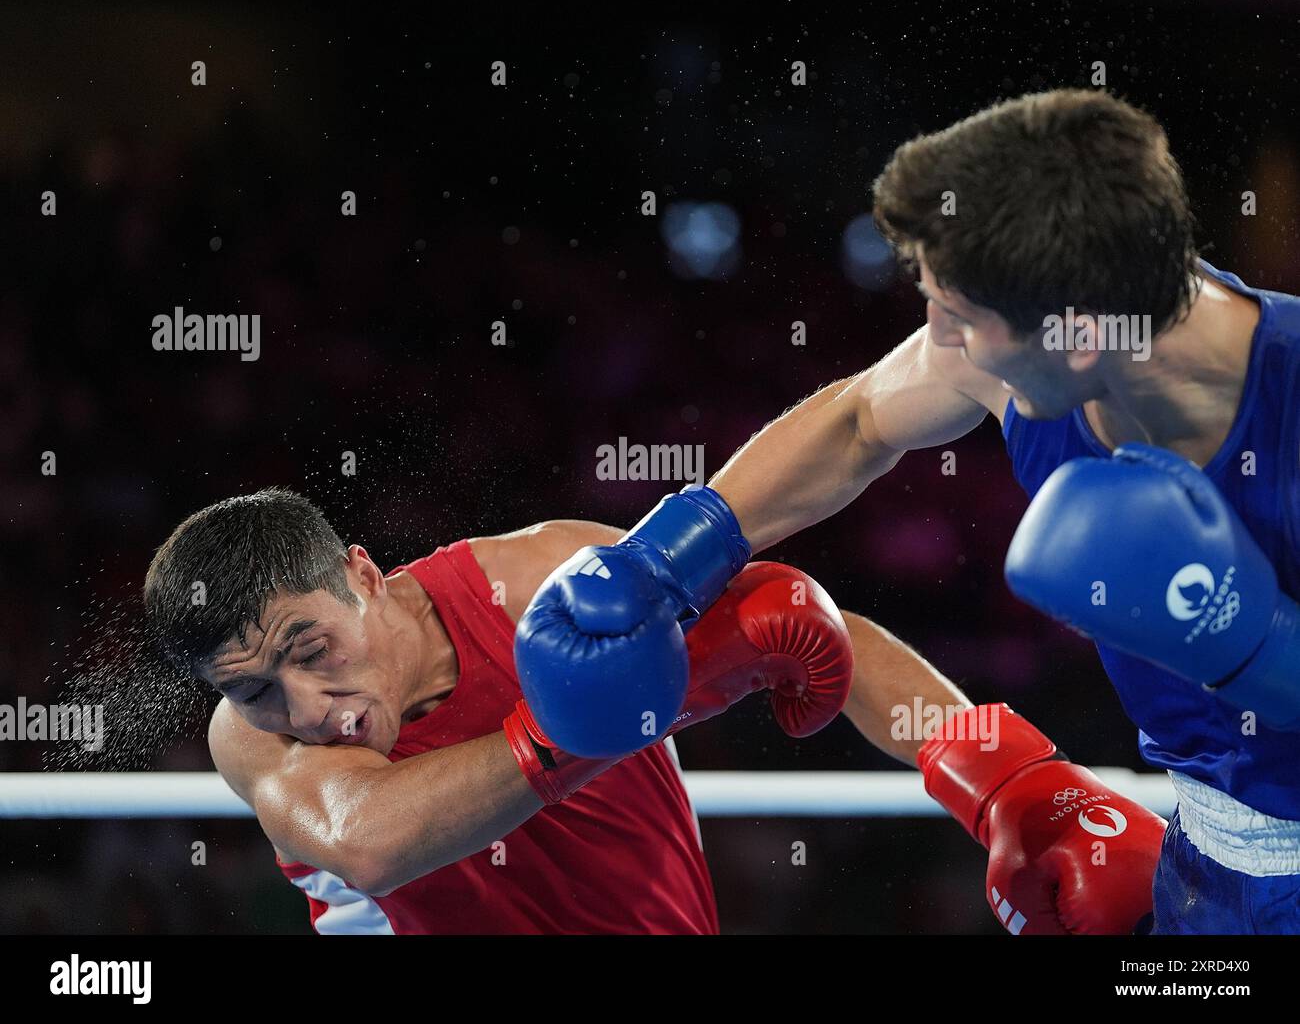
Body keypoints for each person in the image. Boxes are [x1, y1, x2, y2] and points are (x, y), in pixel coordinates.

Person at [515, 88, 1300, 934]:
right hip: (1206, 866)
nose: (934, 334)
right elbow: (856, 423)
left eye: (958, 315)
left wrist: (1255, 648)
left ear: (1078, 334)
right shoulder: (1012, 351)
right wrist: (662, 560)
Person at [143, 488, 853, 934]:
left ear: (364, 577)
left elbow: (800, 604)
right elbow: (367, 843)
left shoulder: (531, 583)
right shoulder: (250, 736)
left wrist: (958, 752)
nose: (306, 708)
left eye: (313, 648)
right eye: (256, 689)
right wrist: (591, 709)